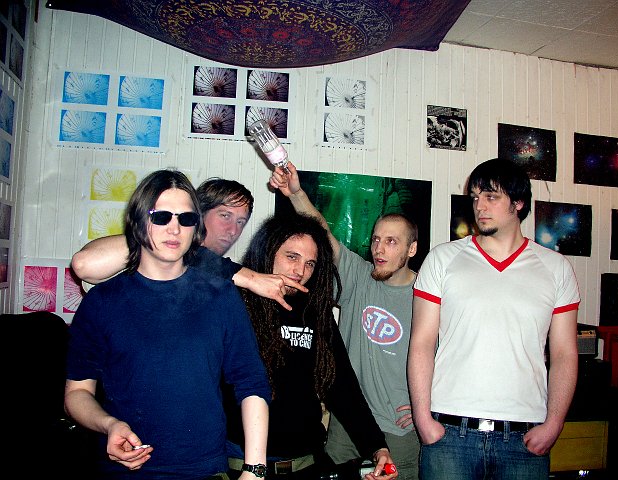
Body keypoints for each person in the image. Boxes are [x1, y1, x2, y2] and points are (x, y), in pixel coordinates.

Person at [64, 169, 271, 479]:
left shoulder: (221, 296)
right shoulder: (103, 301)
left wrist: (254, 469)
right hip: (124, 470)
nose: (174, 229)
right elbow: (77, 393)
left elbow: (251, 381)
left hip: (203, 470)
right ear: (139, 221)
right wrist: (109, 424)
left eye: (186, 219)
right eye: (161, 217)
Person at [408, 158, 580, 480]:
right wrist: (423, 420)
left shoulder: (556, 268)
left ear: (518, 203)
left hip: (524, 440)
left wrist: (555, 423)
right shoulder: (442, 259)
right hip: (449, 434)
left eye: (491, 196)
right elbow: (421, 343)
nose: (479, 206)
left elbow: (564, 354)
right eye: (475, 197)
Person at [269, 163, 420, 480]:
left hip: (399, 427)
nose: (378, 249)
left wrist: (426, 405)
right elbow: (323, 234)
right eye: (376, 239)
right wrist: (296, 193)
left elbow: (451, 355)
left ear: (412, 249)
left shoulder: (427, 295)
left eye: (391, 241)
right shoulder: (360, 276)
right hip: (348, 423)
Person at [224, 212, 398, 480]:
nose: (300, 271)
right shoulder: (234, 302)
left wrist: (376, 446)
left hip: (305, 463)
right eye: (291, 257)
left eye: (310, 263)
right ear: (269, 250)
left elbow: (341, 384)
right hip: (242, 465)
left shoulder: (314, 310)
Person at [72, 177, 306, 310]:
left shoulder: (227, 276)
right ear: (198, 213)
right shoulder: (152, 256)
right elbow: (84, 264)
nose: (233, 230)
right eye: (225, 216)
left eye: (241, 222)